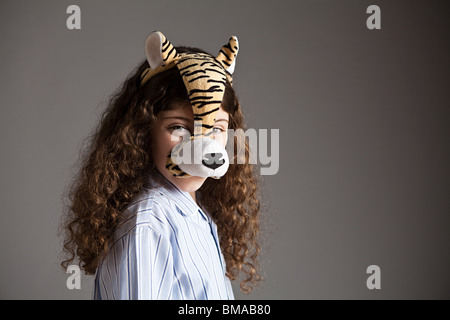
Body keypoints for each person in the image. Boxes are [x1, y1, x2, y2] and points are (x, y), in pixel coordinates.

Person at [61, 31, 261, 299]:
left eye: (216, 128)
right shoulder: (148, 225)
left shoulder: (197, 212)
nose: (205, 146)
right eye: (178, 127)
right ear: (143, 130)